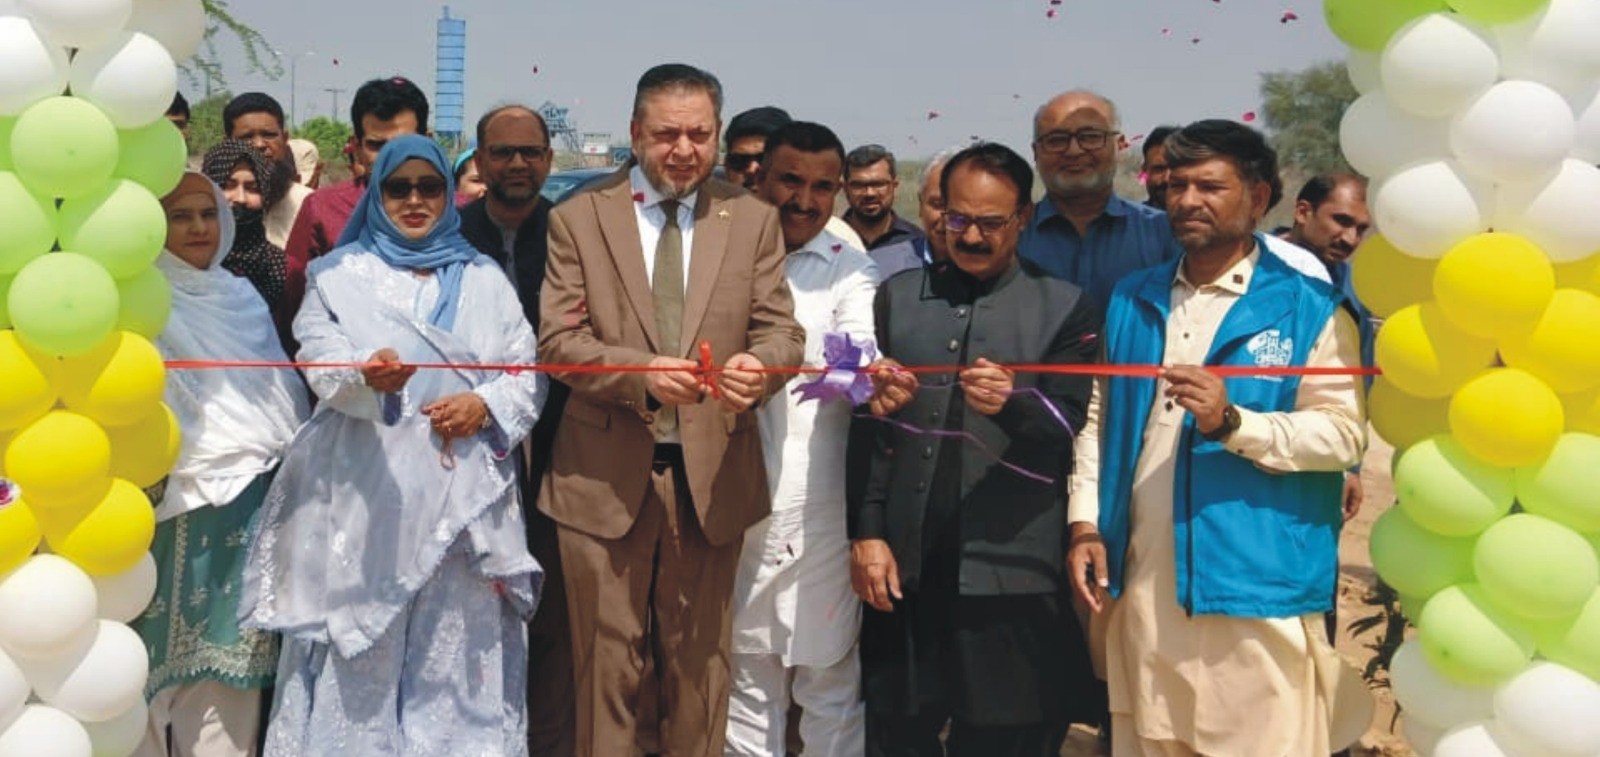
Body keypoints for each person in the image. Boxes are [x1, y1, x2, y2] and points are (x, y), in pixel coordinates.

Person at [239, 135, 548, 757]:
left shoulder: (485, 279)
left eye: (429, 187)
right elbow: (317, 356)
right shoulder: (337, 276)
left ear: (449, 194)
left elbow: (525, 370)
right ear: (375, 194)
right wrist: (365, 377)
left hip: (462, 504)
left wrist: (483, 405)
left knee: (453, 656)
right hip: (367, 495)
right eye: (398, 188)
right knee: (361, 652)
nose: (414, 200)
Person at [1066, 120, 1367, 757]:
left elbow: (1343, 435)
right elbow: (1098, 421)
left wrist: (1235, 424)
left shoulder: (1309, 307)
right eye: (1176, 185)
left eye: (1209, 186)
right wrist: (1086, 524)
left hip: (1256, 592)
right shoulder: (1132, 299)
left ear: (1258, 198)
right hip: (1145, 585)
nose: (1187, 201)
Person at [537, 63, 805, 757]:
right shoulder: (578, 218)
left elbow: (782, 333)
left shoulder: (752, 220)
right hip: (601, 478)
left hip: (712, 479)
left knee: (701, 670)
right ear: (634, 133)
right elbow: (559, 344)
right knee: (606, 669)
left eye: (699, 134)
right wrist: (641, 375)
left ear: (718, 133)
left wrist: (761, 368)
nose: (684, 150)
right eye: (666, 135)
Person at [852, 142, 1100, 756]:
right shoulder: (897, 297)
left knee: (1003, 738)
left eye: (990, 223)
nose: (970, 237)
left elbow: (1067, 425)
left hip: (1009, 574)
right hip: (906, 568)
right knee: (897, 733)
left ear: (1023, 219)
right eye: (957, 218)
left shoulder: (1065, 305)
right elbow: (871, 428)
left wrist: (1014, 403)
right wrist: (869, 533)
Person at [133, 172, 312, 757]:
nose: (198, 228)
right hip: (161, 510)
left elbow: (280, 402)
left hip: (246, 513)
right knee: (138, 684)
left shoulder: (241, 298)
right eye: (180, 216)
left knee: (228, 690)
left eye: (208, 214)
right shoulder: (137, 301)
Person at [729, 121, 875, 757]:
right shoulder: (723, 250)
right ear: (759, 175)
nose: (805, 200)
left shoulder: (850, 266)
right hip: (735, 500)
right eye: (791, 180)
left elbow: (857, 356)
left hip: (820, 506)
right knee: (745, 675)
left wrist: (859, 373)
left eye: (823, 187)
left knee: (828, 677)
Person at [455, 103, 573, 757]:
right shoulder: (450, 234)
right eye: (503, 152)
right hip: (463, 450)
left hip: (562, 449)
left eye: (530, 152)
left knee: (554, 611)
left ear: (549, 160)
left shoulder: (573, 234)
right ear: (480, 161)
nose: (518, 164)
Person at [282, 76, 430, 327]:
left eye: (403, 144)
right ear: (357, 147)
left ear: (428, 142)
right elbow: (294, 304)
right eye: (376, 145)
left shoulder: (458, 212)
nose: (391, 156)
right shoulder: (321, 209)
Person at [1020, 91, 1180, 312]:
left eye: (1090, 137)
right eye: (1057, 140)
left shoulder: (1165, 233)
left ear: (1120, 146)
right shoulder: (1010, 237)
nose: (1074, 151)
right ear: (1036, 152)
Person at [1284, 173, 1375, 522]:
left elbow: (1358, 385)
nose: (1350, 238)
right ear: (1303, 212)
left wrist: (1352, 467)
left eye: (1361, 229)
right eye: (1341, 221)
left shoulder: (1355, 291)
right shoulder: (1247, 264)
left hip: (1314, 458)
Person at [725, 105, 866, 251]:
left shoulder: (840, 239)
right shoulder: (713, 227)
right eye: (739, 161)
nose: (752, 169)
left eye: (762, 159)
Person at [201, 140, 290, 321]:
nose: (240, 198)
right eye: (228, 185)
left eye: (252, 189)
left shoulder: (281, 268)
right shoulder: (189, 261)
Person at [223, 92, 312, 250]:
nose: (259, 144)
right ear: (227, 144)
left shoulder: (309, 203)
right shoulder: (215, 202)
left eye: (269, 135)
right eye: (246, 137)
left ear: (285, 139)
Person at [870, 147, 959, 279]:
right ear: (921, 204)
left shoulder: (991, 271)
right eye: (938, 204)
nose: (946, 218)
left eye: (958, 207)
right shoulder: (878, 269)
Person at [843, 144, 924, 252]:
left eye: (878, 184)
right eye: (859, 185)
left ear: (894, 186)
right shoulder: (830, 237)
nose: (869, 193)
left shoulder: (917, 242)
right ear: (845, 189)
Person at [1139, 125, 1180, 210]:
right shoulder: (1129, 217)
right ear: (1144, 171)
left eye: (1175, 168)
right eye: (1159, 169)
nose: (1167, 178)